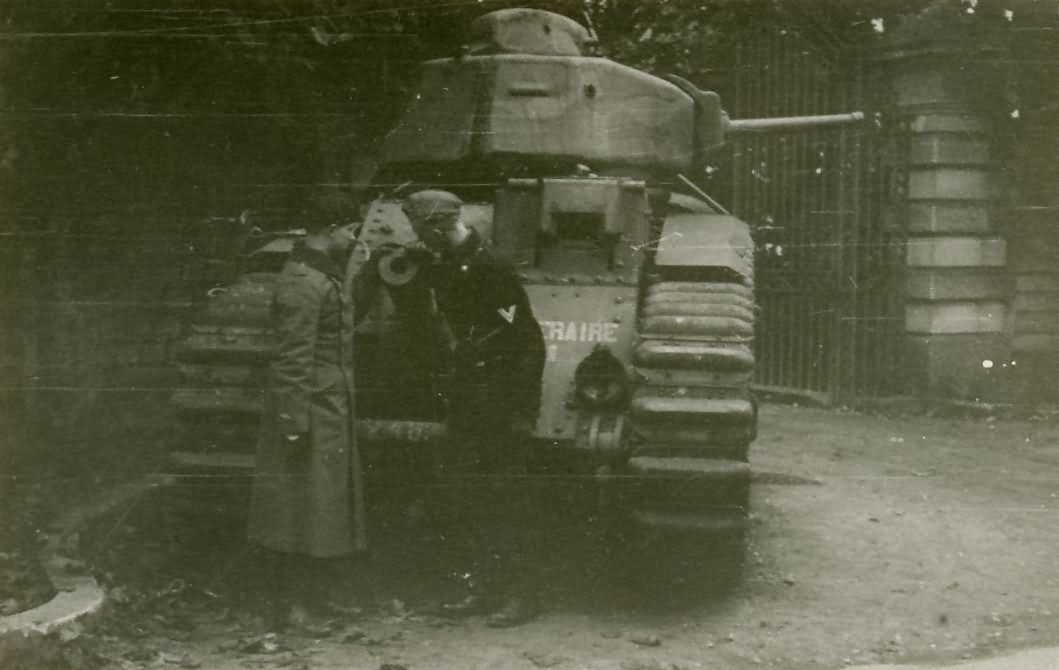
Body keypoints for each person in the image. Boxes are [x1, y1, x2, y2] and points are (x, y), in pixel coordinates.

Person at [401, 189, 546, 628]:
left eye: (422, 233)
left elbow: (525, 338)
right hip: (469, 397)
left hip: (498, 398)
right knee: (473, 497)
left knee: (506, 498)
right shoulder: (449, 261)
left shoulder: (491, 267)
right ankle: (484, 589)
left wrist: (523, 410)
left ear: (438, 227)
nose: (421, 241)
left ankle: (522, 596)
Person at [245, 195, 360, 626]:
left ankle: (315, 599)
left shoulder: (321, 274)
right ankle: (295, 607)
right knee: (298, 513)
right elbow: (292, 359)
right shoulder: (303, 281)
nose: (353, 240)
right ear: (330, 229)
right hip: (308, 412)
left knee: (323, 512)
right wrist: (293, 423)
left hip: (326, 407)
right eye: (350, 231)